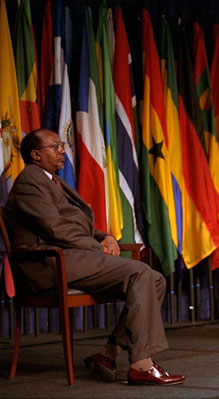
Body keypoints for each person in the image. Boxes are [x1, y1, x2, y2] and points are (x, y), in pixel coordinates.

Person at [3, 129, 185, 386]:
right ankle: (141, 364)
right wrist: (97, 248)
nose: (62, 150)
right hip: (46, 262)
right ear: (35, 154)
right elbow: (54, 228)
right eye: (55, 146)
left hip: (68, 256)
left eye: (62, 144)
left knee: (154, 279)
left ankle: (107, 355)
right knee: (141, 273)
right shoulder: (31, 178)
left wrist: (104, 237)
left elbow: (75, 224)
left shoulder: (50, 180)